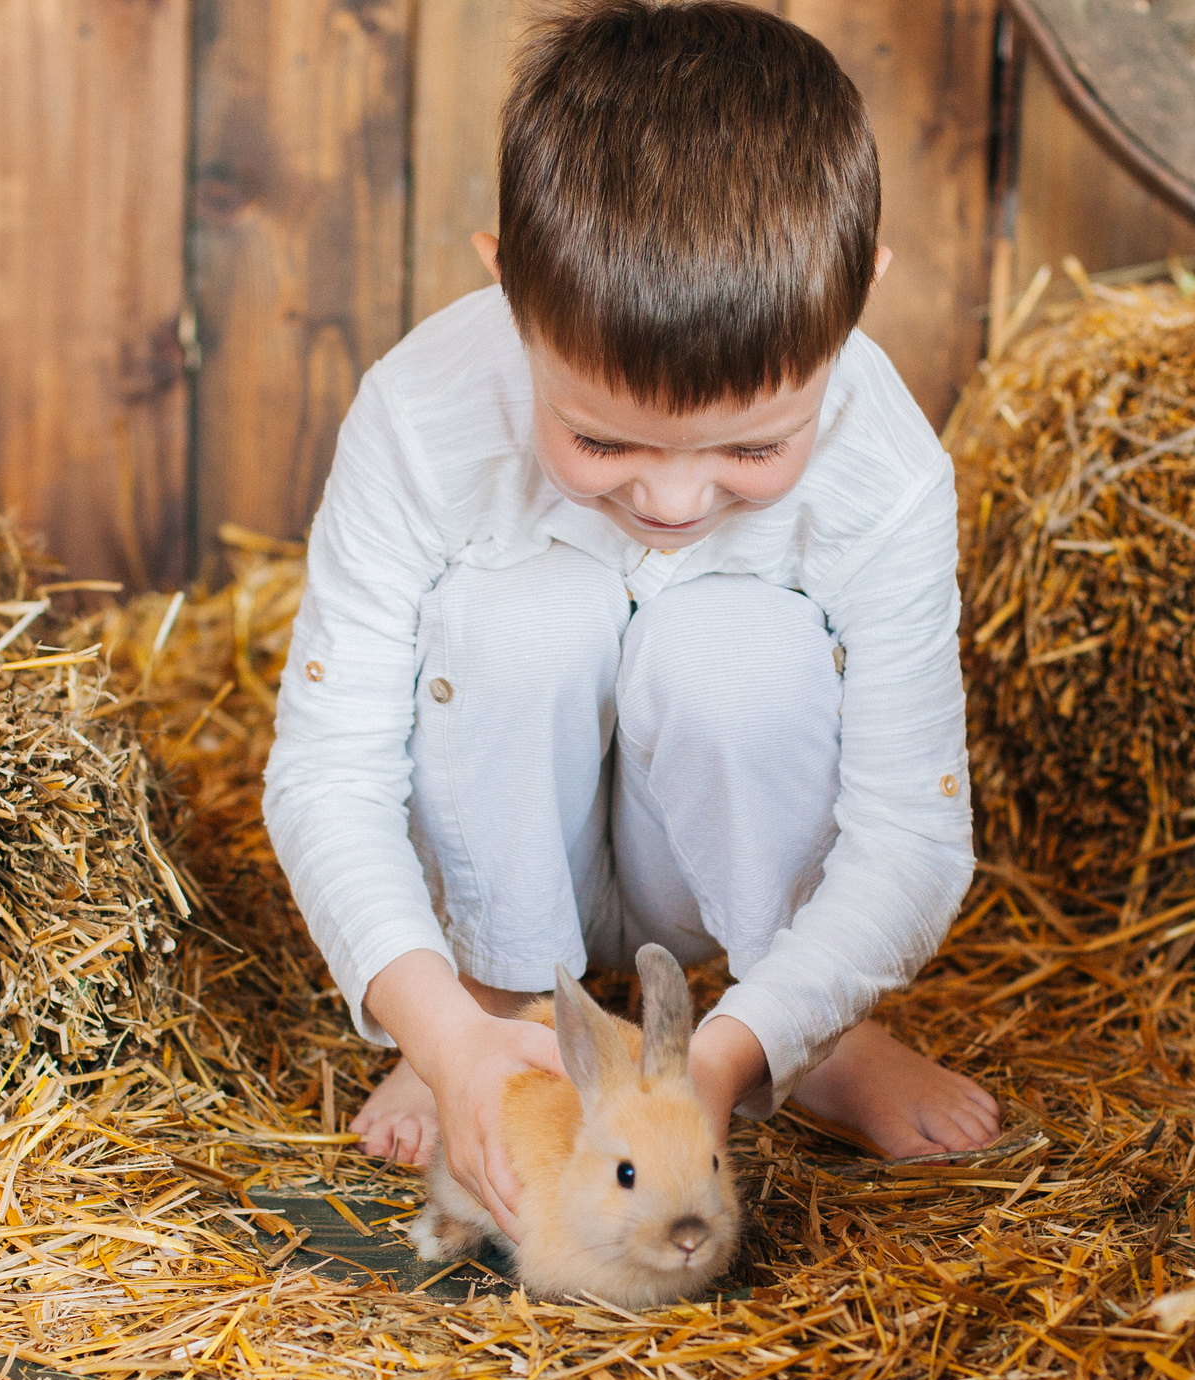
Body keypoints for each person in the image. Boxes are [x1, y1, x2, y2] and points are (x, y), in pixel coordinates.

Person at [261, 0, 998, 1244]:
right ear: (511, 289)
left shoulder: (890, 476)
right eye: (600, 438)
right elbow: (327, 771)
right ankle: (495, 1018)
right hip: (499, 856)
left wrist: (714, 1067)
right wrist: (433, 1028)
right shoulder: (416, 415)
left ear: (854, 307)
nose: (669, 498)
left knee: (737, 648)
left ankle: (804, 1034)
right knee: (518, 617)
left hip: (706, 886)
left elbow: (909, 839)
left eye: (755, 447)